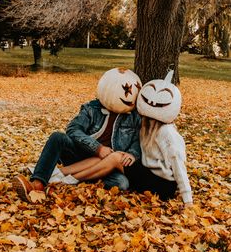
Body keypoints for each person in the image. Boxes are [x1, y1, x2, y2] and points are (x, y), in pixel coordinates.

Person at [12, 68, 142, 202]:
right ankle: (38, 183)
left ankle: (57, 175)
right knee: (58, 137)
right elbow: (73, 129)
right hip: (80, 155)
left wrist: (133, 153)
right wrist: (98, 148)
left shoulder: (134, 118)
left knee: (121, 184)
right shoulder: (92, 108)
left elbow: (139, 140)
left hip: (107, 166)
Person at [125, 71, 193, 207]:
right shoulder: (145, 126)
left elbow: (178, 163)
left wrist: (187, 199)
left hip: (163, 185)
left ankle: (77, 175)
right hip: (149, 175)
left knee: (117, 161)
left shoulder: (166, 132)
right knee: (119, 159)